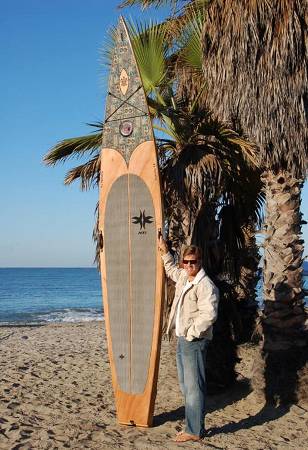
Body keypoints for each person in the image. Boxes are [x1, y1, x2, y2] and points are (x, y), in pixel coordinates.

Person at [158, 236, 219, 443]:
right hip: (183, 339)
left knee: (194, 387)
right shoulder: (185, 277)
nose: (189, 266)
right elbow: (172, 271)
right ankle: (192, 425)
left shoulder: (206, 285)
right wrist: (165, 251)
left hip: (194, 341)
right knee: (186, 385)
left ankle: (194, 430)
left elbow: (209, 314)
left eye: (193, 262)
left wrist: (192, 332)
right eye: (186, 262)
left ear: (200, 262)